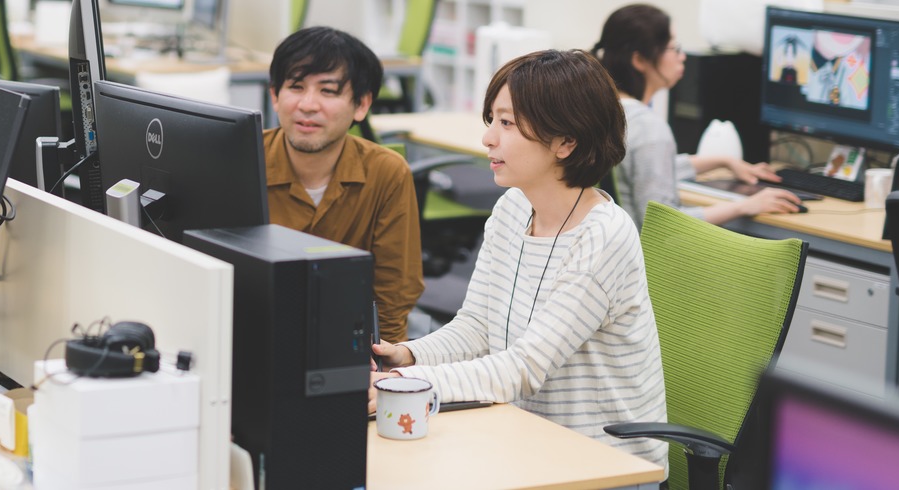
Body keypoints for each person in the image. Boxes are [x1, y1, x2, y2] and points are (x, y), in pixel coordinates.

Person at [370, 49, 669, 469]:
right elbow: (477, 328)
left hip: (604, 465)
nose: (488, 138)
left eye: (507, 123)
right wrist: (407, 356)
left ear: (566, 141)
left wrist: (402, 383)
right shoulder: (513, 208)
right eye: (491, 120)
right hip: (526, 440)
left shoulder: (603, 237)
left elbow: (524, 368)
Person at [264, 27, 423, 343]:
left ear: (361, 105)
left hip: (344, 341)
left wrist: (386, 369)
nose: (308, 105)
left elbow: (394, 292)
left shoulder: (386, 173)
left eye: (328, 91)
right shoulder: (242, 158)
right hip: (254, 332)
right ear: (275, 97)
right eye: (296, 86)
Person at [593, 4, 802, 229]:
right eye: (674, 48)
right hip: (644, 259)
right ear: (640, 60)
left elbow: (648, 169)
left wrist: (723, 161)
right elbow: (663, 224)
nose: (682, 57)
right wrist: (744, 206)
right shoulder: (648, 127)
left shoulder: (605, 109)